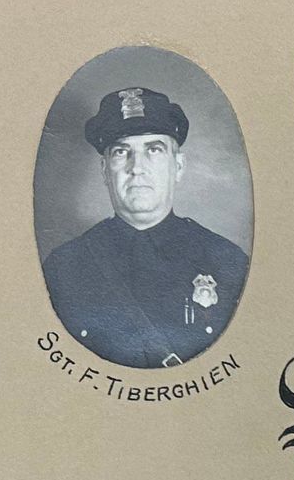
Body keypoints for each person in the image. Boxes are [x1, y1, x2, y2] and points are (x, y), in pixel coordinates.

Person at [40, 85, 249, 370]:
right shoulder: (63, 268)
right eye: (121, 152)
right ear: (104, 170)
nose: (136, 167)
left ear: (178, 166)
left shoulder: (228, 262)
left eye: (153, 149)